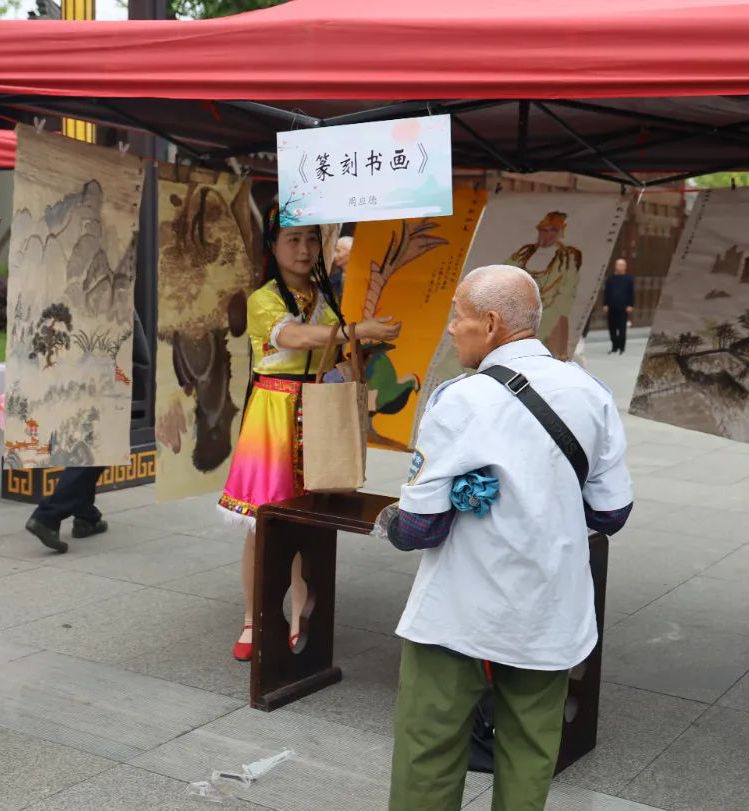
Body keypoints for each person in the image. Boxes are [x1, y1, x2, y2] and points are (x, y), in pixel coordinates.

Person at [383, 265, 633, 810]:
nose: (452, 328)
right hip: (551, 611)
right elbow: (612, 513)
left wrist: (394, 520)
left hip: (460, 612)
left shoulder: (461, 398)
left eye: (459, 316)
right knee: (529, 758)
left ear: (492, 323)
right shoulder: (591, 393)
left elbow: (420, 527)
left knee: (429, 751)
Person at [217, 205, 400, 662]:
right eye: (293, 239)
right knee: (264, 523)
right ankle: (253, 618)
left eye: (312, 239)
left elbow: (327, 348)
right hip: (274, 413)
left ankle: (300, 616)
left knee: (308, 521)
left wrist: (356, 345)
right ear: (273, 245)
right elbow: (294, 338)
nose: (304, 249)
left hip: (319, 411)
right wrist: (356, 330)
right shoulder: (263, 299)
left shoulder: (325, 295)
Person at [23, 311, 151, 553]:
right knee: (99, 448)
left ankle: (86, 516)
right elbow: (138, 358)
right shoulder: (116, 301)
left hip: (73, 366)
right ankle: (48, 516)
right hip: (105, 373)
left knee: (89, 443)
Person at [508, 211, 582, 360]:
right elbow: (504, 272)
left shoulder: (567, 258)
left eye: (553, 230)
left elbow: (567, 293)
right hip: (518, 311)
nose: (547, 234)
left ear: (560, 232)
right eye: (544, 230)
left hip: (549, 312)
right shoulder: (525, 252)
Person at [602, 257, 635, 355]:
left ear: (625, 267)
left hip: (623, 307)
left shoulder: (629, 279)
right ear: (615, 266)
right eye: (618, 265)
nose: (620, 266)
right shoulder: (610, 279)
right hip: (611, 307)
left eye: (622, 265)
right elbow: (607, 292)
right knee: (612, 328)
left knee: (622, 328)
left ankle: (621, 347)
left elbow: (631, 293)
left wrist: (630, 305)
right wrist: (605, 304)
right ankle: (614, 346)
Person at [329, 235, 353, 302]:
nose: (334, 255)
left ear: (350, 253)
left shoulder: (362, 280)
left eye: (338, 251)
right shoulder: (333, 279)